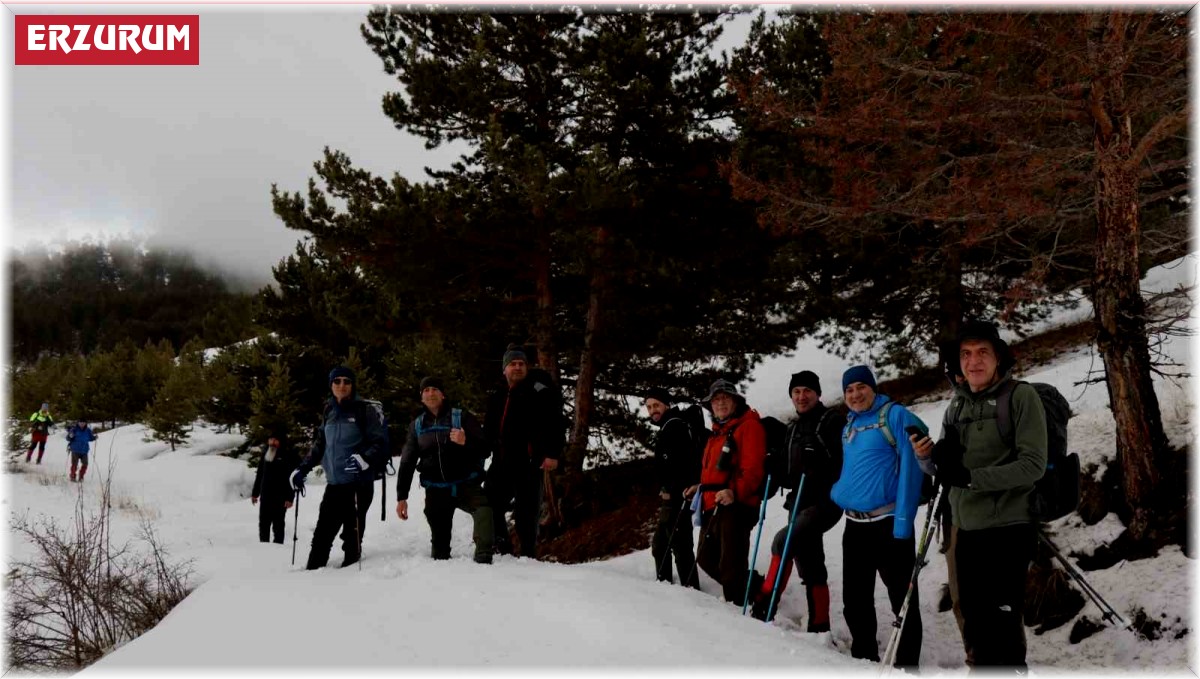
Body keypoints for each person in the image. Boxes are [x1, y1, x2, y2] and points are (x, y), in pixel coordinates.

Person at [913, 321, 1047, 671]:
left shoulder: (1020, 397)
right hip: (966, 527)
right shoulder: (956, 407)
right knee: (974, 622)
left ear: (998, 358)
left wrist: (972, 478)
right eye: (966, 354)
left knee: (1003, 621)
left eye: (982, 352)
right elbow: (945, 473)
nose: (974, 361)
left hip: (1008, 526)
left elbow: (1033, 465)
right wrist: (926, 457)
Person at [830, 365, 928, 668]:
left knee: (903, 599)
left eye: (861, 387)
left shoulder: (895, 416)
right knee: (855, 601)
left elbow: (913, 471)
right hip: (855, 525)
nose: (855, 394)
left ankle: (907, 665)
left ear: (874, 388)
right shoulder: (850, 424)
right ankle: (864, 659)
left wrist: (903, 522)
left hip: (888, 525)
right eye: (849, 390)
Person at [749, 371, 844, 632]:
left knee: (783, 541)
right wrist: (774, 466)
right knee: (810, 561)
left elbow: (844, 463)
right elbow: (788, 473)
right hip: (799, 502)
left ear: (818, 393)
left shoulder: (832, 421)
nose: (801, 397)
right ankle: (819, 625)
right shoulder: (792, 428)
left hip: (824, 501)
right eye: (796, 392)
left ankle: (764, 606)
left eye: (807, 391)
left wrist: (822, 466)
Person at [290, 366, 388, 569]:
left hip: (358, 484)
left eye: (347, 381)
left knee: (352, 538)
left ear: (353, 385)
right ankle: (311, 576)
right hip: (334, 484)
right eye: (337, 381)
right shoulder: (329, 411)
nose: (342, 385)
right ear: (331, 385)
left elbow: (379, 443)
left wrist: (364, 459)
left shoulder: (364, 410)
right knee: (322, 535)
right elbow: (320, 445)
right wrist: (302, 469)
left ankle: (349, 583)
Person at [396, 376, 494, 564]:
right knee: (440, 551)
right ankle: (442, 571)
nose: (431, 393)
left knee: (483, 511)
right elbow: (407, 461)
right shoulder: (417, 425)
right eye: (426, 390)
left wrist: (466, 442)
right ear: (421, 397)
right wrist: (402, 496)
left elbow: (485, 448)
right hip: (436, 489)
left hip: (466, 483)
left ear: (443, 395)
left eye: (435, 389)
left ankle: (484, 557)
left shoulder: (461, 417)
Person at [690, 378, 767, 605]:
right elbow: (713, 472)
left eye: (725, 398)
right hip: (712, 504)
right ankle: (757, 588)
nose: (720, 403)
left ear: (735, 401)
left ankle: (740, 612)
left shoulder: (749, 426)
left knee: (730, 566)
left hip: (737, 505)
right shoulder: (717, 433)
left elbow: (753, 470)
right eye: (716, 400)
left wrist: (735, 492)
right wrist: (700, 487)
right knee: (705, 558)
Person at [484, 345, 562, 559]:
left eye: (521, 364)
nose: (517, 368)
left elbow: (555, 423)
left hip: (528, 461)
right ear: (504, 369)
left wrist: (553, 453)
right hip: (501, 461)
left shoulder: (539, 390)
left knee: (527, 513)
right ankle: (502, 547)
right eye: (513, 364)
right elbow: (489, 430)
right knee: (490, 502)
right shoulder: (498, 395)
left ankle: (528, 556)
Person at [645, 387, 701, 588]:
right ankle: (665, 588)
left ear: (666, 404)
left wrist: (672, 488)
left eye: (656, 405)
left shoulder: (674, 427)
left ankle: (691, 592)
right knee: (661, 546)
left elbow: (681, 464)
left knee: (680, 547)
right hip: (673, 497)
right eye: (649, 407)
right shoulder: (670, 425)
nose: (653, 410)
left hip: (679, 497)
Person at [252, 434, 298, 544]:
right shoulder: (265, 454)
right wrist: (255, 493)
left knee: (278, 524)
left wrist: (290, 498)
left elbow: (292, 478)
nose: (272, 442)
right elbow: (260, 474)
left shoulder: (287, 455)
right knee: (263, 523)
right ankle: (263, 546)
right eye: (270, 440)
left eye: (275, 440)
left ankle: (278, 548)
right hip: (265, 495)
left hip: (280, 497)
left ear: (280, 441)